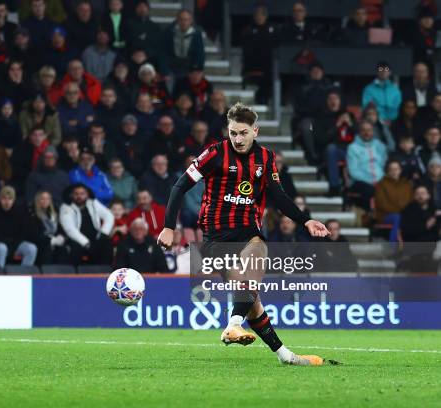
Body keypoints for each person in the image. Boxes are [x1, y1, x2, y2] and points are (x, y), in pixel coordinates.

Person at [157, 102, 330, 366]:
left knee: (255, 260)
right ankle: (285, 356)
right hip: (215, 240)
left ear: (255, 131)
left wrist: (305, 220)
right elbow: (179, 186)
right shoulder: (213, 154)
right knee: (251, 300)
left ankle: (233, 326)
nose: (238, 139)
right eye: (233, 133)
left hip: (249, 232)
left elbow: (279, 197)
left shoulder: (266, 159)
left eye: (243, 133)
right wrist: (169, 226)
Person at [0, 186, 40, 268]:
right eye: (4, 198)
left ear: (13, 200)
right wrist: (4, 243)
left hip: (13, 245)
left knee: (31, 248)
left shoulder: (19, 212)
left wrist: (12, 245)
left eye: (10, 199)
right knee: (2, 248)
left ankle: (22, 275)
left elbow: (22, 233)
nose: (7, 202)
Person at [59, 183, 114, 265]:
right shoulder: (66, 207)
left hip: (95, 237)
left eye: (82, 194)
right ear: (71, 195)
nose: (79, 196)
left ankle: (105, 272)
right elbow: (70, 229)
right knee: (75, 247)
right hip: (77, 239)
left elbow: (109, 216)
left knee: (106, 243)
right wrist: (86, 243)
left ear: (87, 194)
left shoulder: (93, 203)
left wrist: (103, 233)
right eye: (76, 194)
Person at [347, 120, 388, 210]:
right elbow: (353, 171)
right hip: (361, 181)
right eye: (364, 130)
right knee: (370, 190)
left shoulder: (380, 146)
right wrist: (371, 181)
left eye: (369, 130)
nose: (366, 133)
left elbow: (384, 166)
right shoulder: (353, 148)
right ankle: (369, 215)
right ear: (360, 132)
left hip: (380, 179)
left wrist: (380, 179)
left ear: (373, 131)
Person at [374, 160, 413, 242]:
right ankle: (393, 248)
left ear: (400, 170)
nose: (394, 171)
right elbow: (381, 203)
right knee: (397, 217)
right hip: (386, 215)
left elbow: (411, 201)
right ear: (387, 171)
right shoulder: (381, 184)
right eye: (391, 169)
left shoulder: (407, 184)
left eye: (396, 169)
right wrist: (401, 212)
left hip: (405, 214)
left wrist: (406, 212)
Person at [161, 9, 204, 77]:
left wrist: (198, 69)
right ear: (177, 20)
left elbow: (200, 53)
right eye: (181, 19)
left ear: (190, 21)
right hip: (172, 66)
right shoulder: (169, 32)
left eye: (186, 20)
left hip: (189, 66)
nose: (183, 22)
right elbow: (163, 52)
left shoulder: (196, 34)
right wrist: (165, 70)